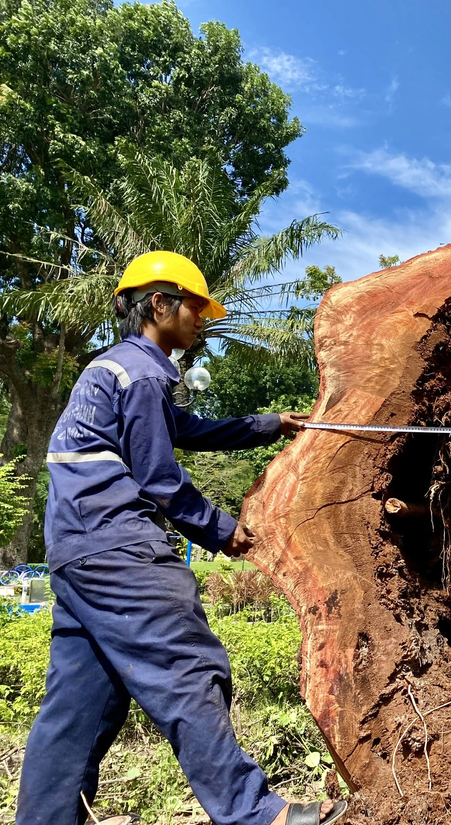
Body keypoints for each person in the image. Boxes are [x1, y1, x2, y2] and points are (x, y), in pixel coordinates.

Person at [16, 251, 347, 825]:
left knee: (79, 704)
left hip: (76, 554)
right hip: (121, 551)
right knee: (188, 668)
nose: (202, 318)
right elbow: (160, 479)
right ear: (159, 304)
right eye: (194, 306)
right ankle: (254, 813)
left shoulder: (115, 369)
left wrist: (272, 424)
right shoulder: (144, 373)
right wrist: (226, 533)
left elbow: (185, 430)